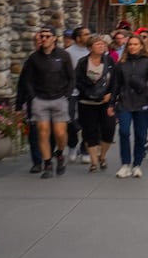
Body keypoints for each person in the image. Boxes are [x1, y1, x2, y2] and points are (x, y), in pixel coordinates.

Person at [17, 28, 75, 177]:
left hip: (59, 98)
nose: (44, 39)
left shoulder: (63, 56)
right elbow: (27, 79)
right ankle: (47, 163)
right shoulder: (34, 58)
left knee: (60, 133)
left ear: (54, 38)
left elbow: (71, 77)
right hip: (40, 99)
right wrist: (32, 96)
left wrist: (66, 95)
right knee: (42, 132)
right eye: (42, 36)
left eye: (47, 36)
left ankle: (60, 153)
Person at [114, 32, 148, 177]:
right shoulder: (121, 64)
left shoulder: (146, 62)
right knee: (124, 132)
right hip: (124, 101)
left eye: (135, 44)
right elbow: (115, 85)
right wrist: (111, 103)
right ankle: (125, 164)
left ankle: (137, 164)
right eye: (130, 44)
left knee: (141, 135)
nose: (132, 47)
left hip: (142, 101)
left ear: (141, 46)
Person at [76, 34, 118, 172]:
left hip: (106, 103)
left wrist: (110, 95)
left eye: (103, 44)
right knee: (90, 131)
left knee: (109, 130)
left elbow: (114, 81)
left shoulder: (109, 61)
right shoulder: (83, 63)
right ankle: (94, 161)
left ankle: (103, 156)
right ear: (90, 48)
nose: (101, 46)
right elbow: (78, 81)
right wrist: (89, 92)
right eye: (97, 44)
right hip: (87, 102)